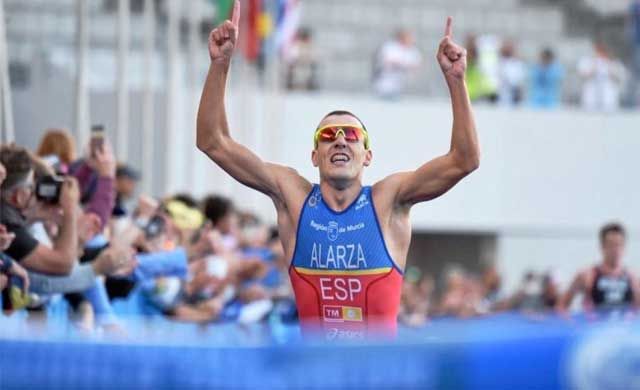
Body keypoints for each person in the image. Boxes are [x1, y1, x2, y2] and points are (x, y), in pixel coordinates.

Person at [197, 1, 479, 339]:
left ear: (368, 156)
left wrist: (457, 81)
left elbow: (465, 159)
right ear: (315, 155)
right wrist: (220, 64)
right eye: (328, 136)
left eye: (352, 136)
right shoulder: (294, 197)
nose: (341, 141)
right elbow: (213, 141)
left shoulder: (388, 201)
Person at [0, 145, 79, 275]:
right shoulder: (8, 228)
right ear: (18, 196)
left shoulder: (7, 217)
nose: (36, 192)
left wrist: (34, 216)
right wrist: (70, 210)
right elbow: (63, 265)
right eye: (32, 186)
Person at [558, 223, 640, 314]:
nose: (615, 249)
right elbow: (561, 306)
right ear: (602, 247)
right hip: (595, 326)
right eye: (611, 245)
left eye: (619, 245)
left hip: (623, 327)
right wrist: (571, 324)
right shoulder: (587, 276)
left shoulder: (632, 279)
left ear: (624, 247)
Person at [372, 29, 422, 99]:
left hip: (402, 85)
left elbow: (416, 65)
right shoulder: (390, 47)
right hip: (386, 83)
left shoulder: (413, 51)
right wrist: (404, 64)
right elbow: (388, 61)